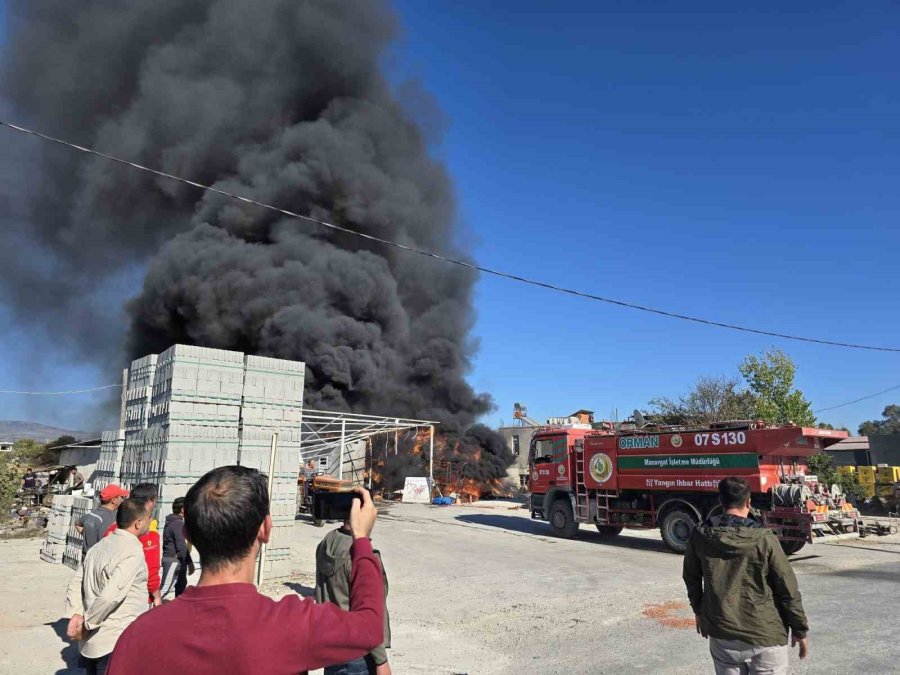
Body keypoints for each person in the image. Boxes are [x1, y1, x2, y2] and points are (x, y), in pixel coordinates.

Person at [108, 466, 384, 674]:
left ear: (187, 533)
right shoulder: (293, 626)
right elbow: (370, 627)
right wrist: (361, 540)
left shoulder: (138, 636)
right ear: (265, 530)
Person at [683, 477, 810, 675]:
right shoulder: (765, 538)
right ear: (749, 502)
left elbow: (691, 577)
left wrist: (699, 611)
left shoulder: (700, 535)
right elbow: (787, 586)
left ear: (720, 501)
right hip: (765, 634)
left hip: (723, 633)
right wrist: (799, 628)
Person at [65, 498, 151, 675]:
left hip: (93, 643)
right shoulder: (131, 553)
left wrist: (76, 613)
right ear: (138, 522)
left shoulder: (99, 546)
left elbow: (76, 582)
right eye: (149, 517)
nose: (151, 521)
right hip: (115, 641)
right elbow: (111, 596)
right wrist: (87, 623)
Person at [316, 519, 392, 675]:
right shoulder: (363, 556)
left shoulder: (328, 541)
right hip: (359, 656)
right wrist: (381, 660)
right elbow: (368, 615)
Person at [104, 483, 162, 607]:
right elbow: (150, 570)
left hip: (108, 592)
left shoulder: (113, 527)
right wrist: (156, 596)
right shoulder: (148, 532)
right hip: (135, 598)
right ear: (151, 501)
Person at [75, 485, 128, 552]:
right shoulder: (111, 518)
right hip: (100, 560)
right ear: (114, 500)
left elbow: (77, 524)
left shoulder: (92, 513)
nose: (123, 500)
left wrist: (88, 535)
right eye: (122, 497)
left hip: (87, 559)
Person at [160, 497, 194, 599]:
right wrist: (189, 562)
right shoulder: (177, 524)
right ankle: (153, 612)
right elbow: (181, 547)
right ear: (183, 509)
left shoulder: (172, 522)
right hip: (174, 560)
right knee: (164, 590)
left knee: (180, 587)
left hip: (175, 560)